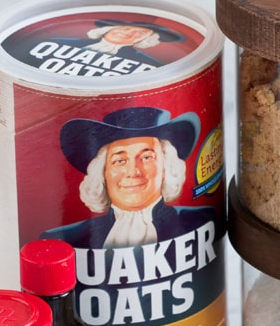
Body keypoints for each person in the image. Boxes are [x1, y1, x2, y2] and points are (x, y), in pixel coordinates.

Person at [43, 106, 214, 248]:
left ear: (166, 167)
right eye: (119, 160)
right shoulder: (66, 240)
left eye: (147, 157)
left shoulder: (201, 222)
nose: (133, 171)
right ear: (103, 173)